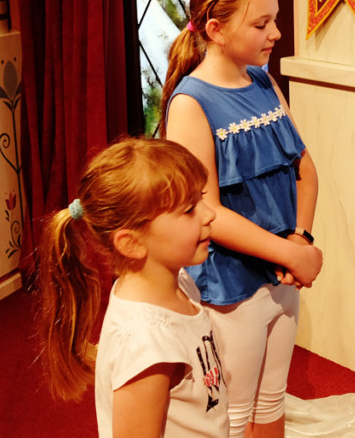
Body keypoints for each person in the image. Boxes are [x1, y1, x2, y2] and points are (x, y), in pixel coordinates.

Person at [159, 0, 323, 438]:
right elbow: (207, 211)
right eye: (261, 23)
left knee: (272, 399)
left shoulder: (264, 82)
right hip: (232, 285)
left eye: (275, 20)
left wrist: (301, 238)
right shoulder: (191, 103)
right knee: (232, 414)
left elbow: (306, 171)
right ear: (216, 30)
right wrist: (290, 254)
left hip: (283, 271)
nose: (275, 33)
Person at [36, 137, 228, 437]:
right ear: (131, 243)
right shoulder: (147, 345)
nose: (210, 213)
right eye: (190, 209)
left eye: (202, 198)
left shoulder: (177, 283)